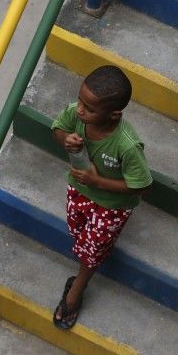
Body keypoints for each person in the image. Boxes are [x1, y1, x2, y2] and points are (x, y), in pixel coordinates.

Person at [50, 65, 152, 329]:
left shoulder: (127, 145)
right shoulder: (77, 113)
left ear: (114, 113)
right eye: (80, 101)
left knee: (91, 250)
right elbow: (58, 128)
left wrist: (98, 182)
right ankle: (89, 254)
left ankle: (76, 290)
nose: (80, 110)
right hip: (78, 190)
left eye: (90, 108)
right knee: (78, 233)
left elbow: (140, 186)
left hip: (111, 206)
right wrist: (65, 140)